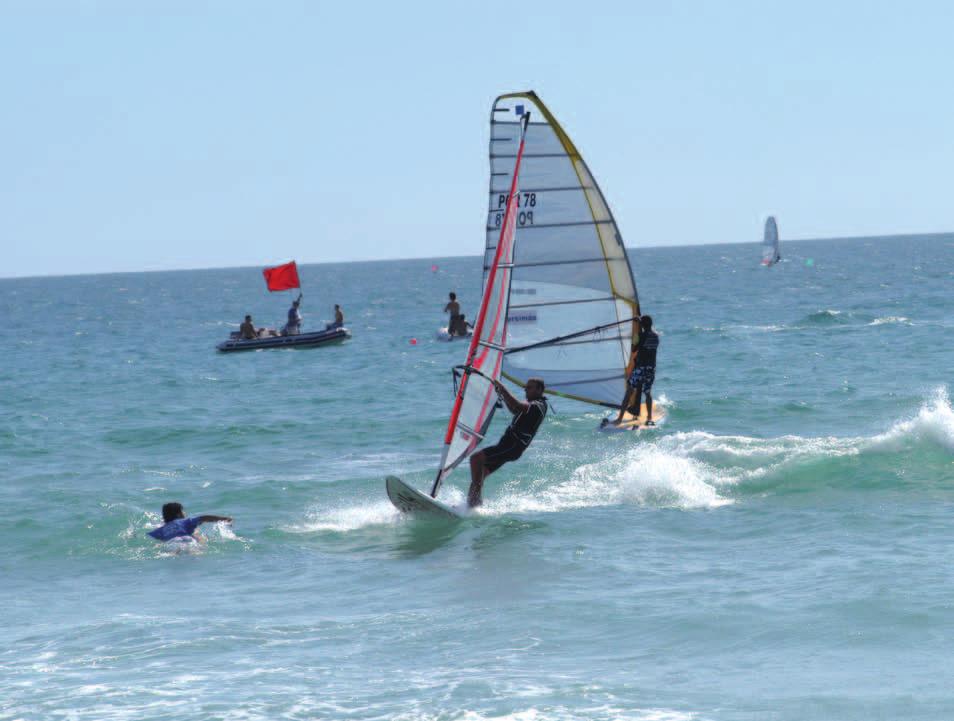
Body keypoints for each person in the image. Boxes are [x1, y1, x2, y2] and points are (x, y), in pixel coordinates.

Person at [468, 377, 548, 507]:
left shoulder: (537, 405)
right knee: (479, 472)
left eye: (529, 388)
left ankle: (474, 502)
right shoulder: (533, 405)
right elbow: (515, 410)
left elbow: (517, 405)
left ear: (539, 390)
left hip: (512, 446)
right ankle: (471, 506)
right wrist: (501, 394)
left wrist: (502, 388)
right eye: (525, 387)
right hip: (508, 446)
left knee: (476, 459)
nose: (525, 390)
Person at [611, 315, 659, 426]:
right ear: (651, 325)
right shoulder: (656, 336)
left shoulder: (639, 336)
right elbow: (649, 333)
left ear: (642, 325)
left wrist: (637, 329)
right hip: (651, 369)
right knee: (647, 393)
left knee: (629, 392)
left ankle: (619, 419)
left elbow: (634, 349)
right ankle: (649, 417)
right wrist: (641, 324)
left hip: (640, 369)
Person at [148, 502, 232, 542]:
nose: (185, 513)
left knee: (173, 551)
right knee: (197, 536)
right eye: (183, 511)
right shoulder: (185, 522)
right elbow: (204, 518)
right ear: (179, 514)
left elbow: (149, 535)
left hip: (172, 542)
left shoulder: (161, 529)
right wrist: (223, 518)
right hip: (188, 540)